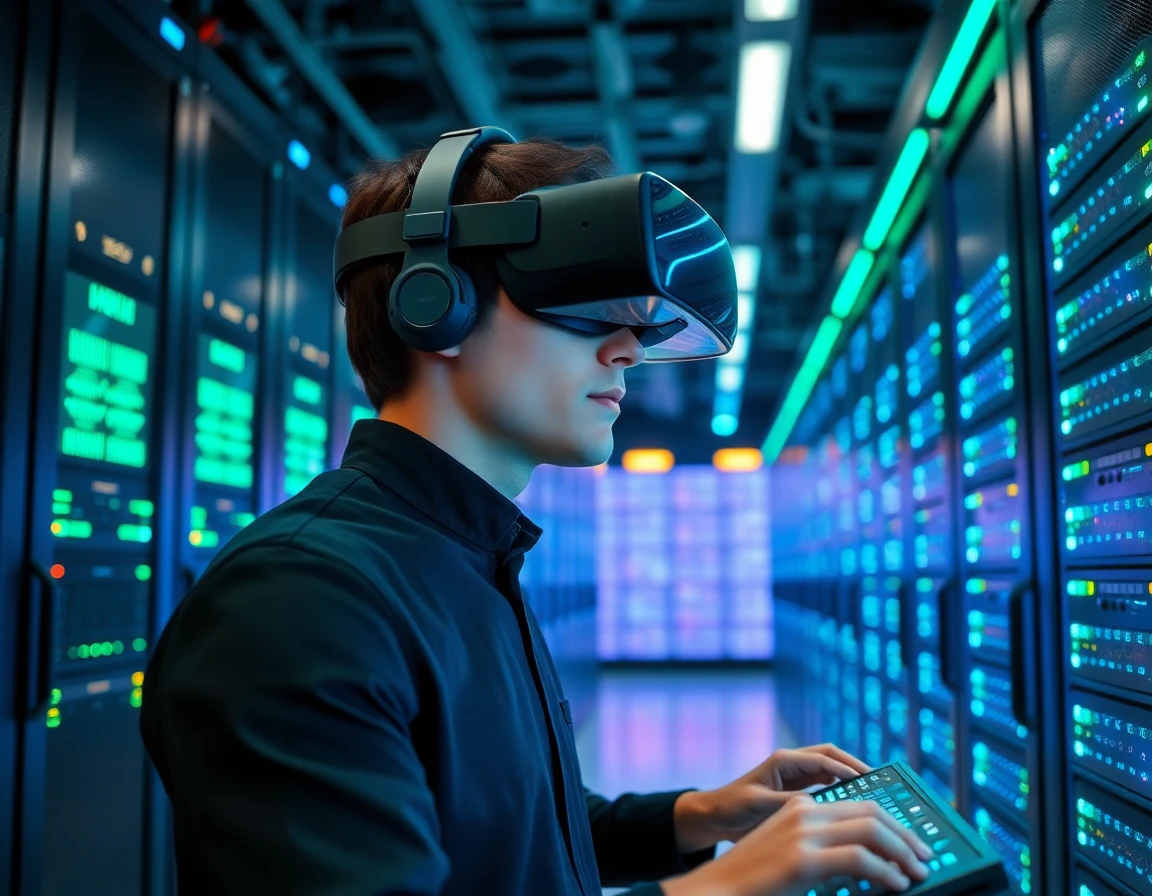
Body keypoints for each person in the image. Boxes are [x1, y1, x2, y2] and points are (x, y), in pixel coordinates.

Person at [140, 130, 933, 896]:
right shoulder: (300, 602)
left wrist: (701, 816)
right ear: (436, 308)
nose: (627, 348)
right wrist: (722, 891)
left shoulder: (471, 561)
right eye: (586, 308)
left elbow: (507, 833)